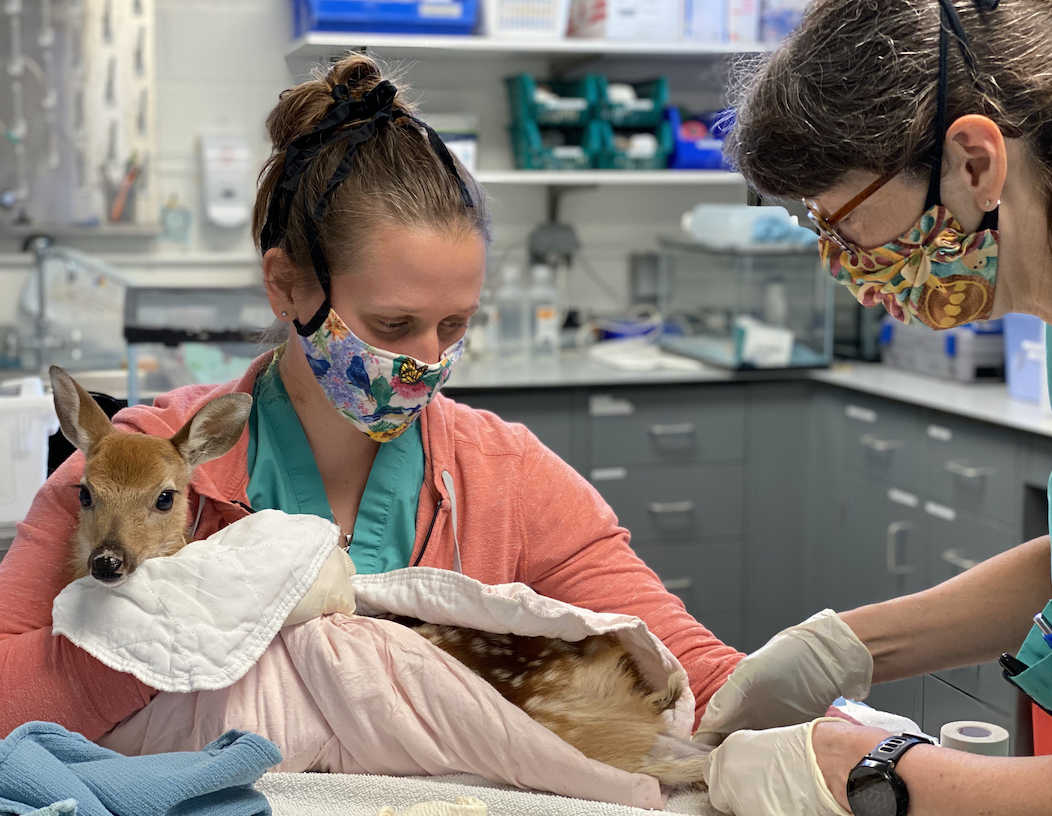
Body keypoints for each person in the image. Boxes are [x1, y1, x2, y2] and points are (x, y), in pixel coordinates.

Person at [0, 53, 742, 744]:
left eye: (455, 325)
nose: (427, 362)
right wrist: (188, 620)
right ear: (288, 286)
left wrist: (816, 687)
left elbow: (692, 676)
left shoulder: (505, 476)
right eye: (392, 325)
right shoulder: (133, 471)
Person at [693, 1, 1052, 814]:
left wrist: (876, 770)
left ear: (975, 163)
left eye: (842, 221)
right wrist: (844, 648)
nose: (839, 263)